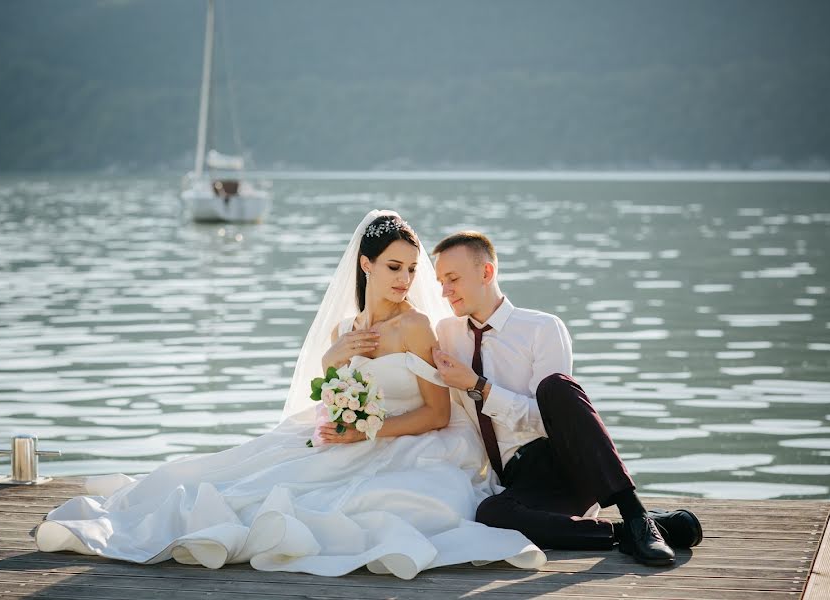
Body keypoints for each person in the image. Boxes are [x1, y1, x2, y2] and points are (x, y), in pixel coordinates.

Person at [34, 211, 545, 579]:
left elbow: (437, 415)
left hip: (410, 437)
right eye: (394, 267)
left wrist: (363, 432)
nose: (406, 280)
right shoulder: (344, 328)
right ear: (365, 265)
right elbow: (332, 395)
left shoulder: (416, 327)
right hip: (354, 431)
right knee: (231, 476)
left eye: (413, 269)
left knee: (344, 505)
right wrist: (333, 364)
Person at [431, 231, 703, 566]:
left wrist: (480, 387)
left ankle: (637, 515)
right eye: (441, 281)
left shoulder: (542, 328)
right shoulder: (446, 334)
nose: (445, 291)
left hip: (564, 462)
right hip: (518, 481)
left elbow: (552, 418)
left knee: (556, 387)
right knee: (490, 515)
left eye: (453, 279)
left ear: (486, 273)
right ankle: (623, 532)